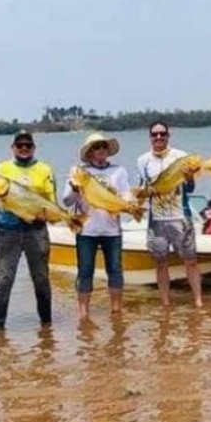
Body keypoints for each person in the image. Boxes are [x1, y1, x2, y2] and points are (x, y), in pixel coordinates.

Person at [0, 130, 56, 330]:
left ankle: (46, 327)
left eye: (28, 145)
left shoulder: (45, 170)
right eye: (19, 145)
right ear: (12, 147)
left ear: (33, 148)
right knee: (4, 281)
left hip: (36, 231)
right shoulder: (0, 169)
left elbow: (51, 203)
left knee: (41, 280)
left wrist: (47, 215)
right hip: (8, 231)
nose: (24, 148)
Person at [63, 132, 130, 320]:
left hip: (112, 230)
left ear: (108, 150)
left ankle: (116, 310)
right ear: (90, 152)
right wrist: (76, 191)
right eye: (96, 147)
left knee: (115, 270)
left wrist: (126, 205)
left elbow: (126, 197)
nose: (100, 150)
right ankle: (83, 313)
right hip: (87, 230)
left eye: (103, 146)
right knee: (85, 271)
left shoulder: (119, 171)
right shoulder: (78, 171)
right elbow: (66, 201)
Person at [137, 121, 203, 308]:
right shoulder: (143, 160)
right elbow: (142, 187)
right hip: (156, 220)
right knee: (160, 263)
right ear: (150, 137)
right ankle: (165, 303)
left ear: (168, 135)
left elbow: (189, 188)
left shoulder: (181, 157)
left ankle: (198, 301)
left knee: (191, 261)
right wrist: (140, 197)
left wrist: (189, 176)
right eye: (155, 134)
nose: (159, 137)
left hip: (180, 217)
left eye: (162, 134)